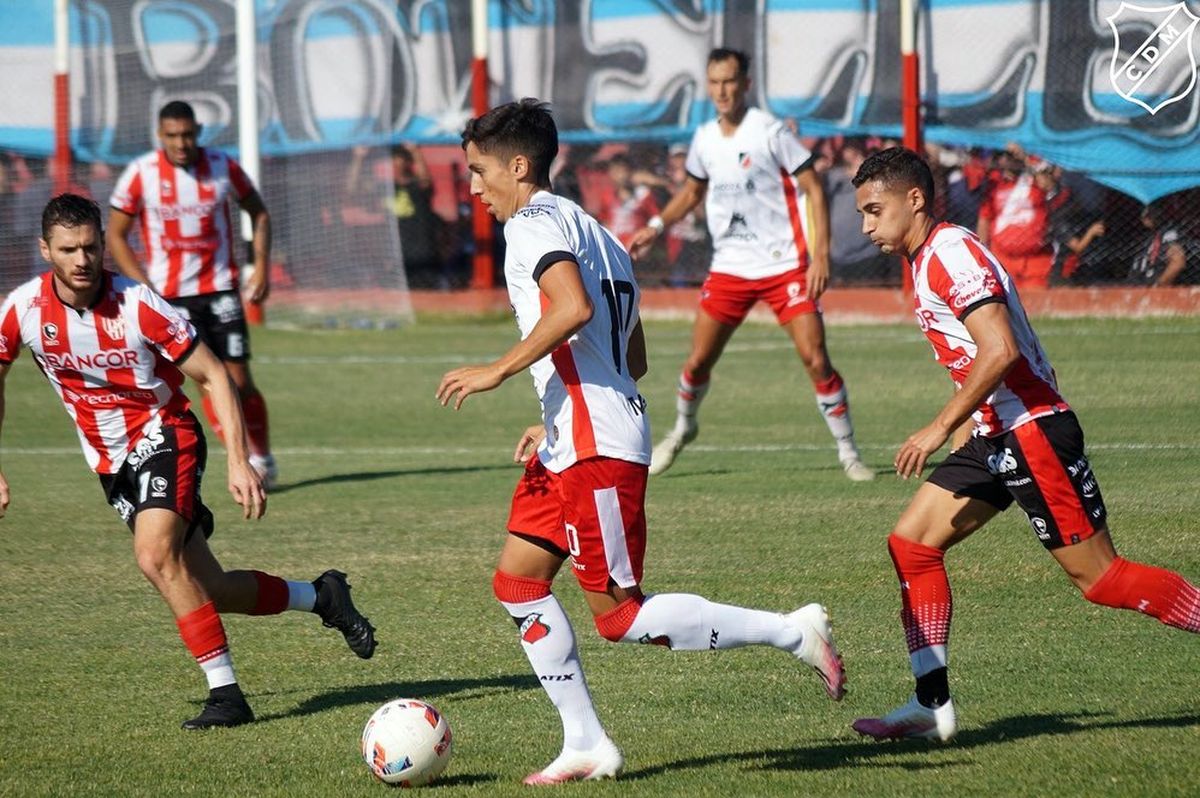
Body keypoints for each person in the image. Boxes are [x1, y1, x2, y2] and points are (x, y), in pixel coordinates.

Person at [438, 99, 846, 785]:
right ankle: (585, 743)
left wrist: (498, 370)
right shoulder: (597, 230)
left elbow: (573, 309)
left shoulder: (533, 226)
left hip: (596, 441)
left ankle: (793, 631)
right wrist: (557, 401)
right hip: (579, 430)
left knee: (621, 615)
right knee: (518, 579)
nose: (474, 187)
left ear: (518, 166)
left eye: (479, 172)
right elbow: (634, 352)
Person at [849, 147, 1199, 741]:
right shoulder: (925, 256)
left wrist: (938, 427)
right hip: (995, 435)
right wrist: (965, 434)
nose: (865, 227)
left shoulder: (950, 254)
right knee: (912, 545)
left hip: (1030, 429)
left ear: (914, 201)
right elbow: (976, 361)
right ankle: (930, 705)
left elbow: (1000, 349)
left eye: (874, 211)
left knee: (1101, 579)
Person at [0, 195, 377, 729]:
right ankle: (321, 596)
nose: (82, 259)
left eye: (90, 246)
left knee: (154, 557)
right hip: (111, 465)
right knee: (211, 587)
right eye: (68, 250)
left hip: (165, 433)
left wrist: (238, 461)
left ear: (101, 244)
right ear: (45, 251)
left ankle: (227, 695)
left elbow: (215, 374)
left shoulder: (138, 304)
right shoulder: (22, 310)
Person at [628, 48, 873, 481]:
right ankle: (684, 427)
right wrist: (655, 225)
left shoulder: (770, 131)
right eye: (714, 82)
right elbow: (691, 193)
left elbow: (813, 188)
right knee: (698, 361)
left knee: (815, 358)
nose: (721, 90)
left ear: (745, 84)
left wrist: (819, 255)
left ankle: (849, 452)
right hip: (730, 267)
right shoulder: (703, 138)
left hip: (785, 266)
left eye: (729, 81)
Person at [107, 101, 279, 488]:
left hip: (220, 290)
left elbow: (259, 212)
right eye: (172, 136)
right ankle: (247, 460)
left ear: (197, 132)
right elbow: (115, 234)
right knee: (204, 379)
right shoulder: (141, 174)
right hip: (171, 299)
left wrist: (261, 265)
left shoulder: (222, 165)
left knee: (239, 379)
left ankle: (264, 454)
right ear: (160, 135)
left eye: (187, 134)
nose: (181, 143)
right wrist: (142, 286)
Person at [975, 146, 1053, 291]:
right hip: (1002, 259)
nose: (1010, 160)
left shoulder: (1035, 178)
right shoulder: (993, 184)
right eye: (1006, 155)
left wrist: (1025, 159)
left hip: (1035, 260)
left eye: (1013, 156)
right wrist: (982, 255)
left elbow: (1049, 185)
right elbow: (984, 219)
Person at [1130, 201, 1197, 286]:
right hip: (1136, 288)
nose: (1145, 219)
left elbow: (1178, 263)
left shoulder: (1168, 234)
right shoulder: (1148, 238)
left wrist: (1157, 286)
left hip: (1153, 291)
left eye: (1148, 216)